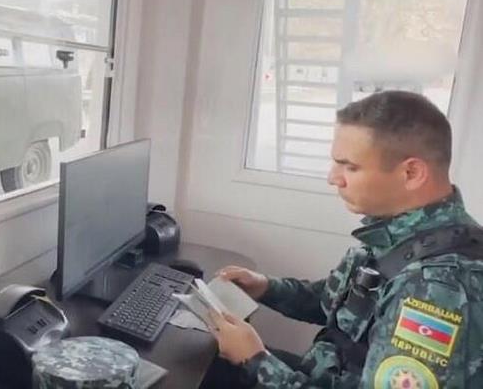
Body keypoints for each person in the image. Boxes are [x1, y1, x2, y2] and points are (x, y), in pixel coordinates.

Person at [207, 90, 483, 388]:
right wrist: (266, 287)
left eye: (350, 166)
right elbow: (342, 305)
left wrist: (256, 361)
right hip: (322, 373)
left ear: (412, 173)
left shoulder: (437, 289)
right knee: (206, 358)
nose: (333, 178)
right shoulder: (401, 232)